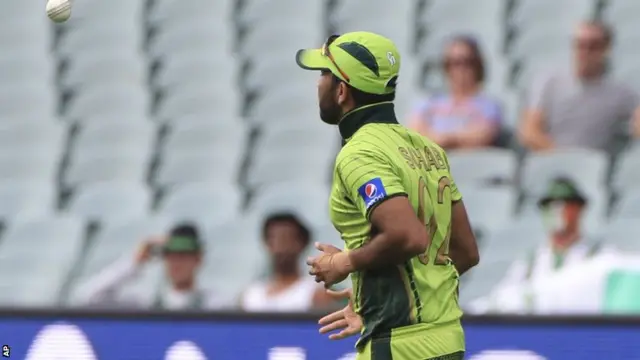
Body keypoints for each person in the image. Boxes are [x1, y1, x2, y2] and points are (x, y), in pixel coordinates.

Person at [295, 32, 480, 360]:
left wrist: (344, 261)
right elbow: (465, 252)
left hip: (399, 346)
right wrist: (373, 296)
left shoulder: (359, 154)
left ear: (341, 91)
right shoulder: (427, 148)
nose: (317, 83)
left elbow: (407, 236)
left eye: (324, 73)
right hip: (448, 341)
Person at [468, 178, 614, 314]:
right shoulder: (530, 262)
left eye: (562, 205)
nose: (555, 212)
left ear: (578, 209)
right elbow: (503, 298)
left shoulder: (598, 256)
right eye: (548, 206)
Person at [519, 21, 640, 152]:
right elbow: (529, 131)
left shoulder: (620, 93)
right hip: (549, 160)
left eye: (593, 46)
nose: (585, 52)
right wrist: (562, 156)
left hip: (597, 166)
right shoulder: (549, 82)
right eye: (580, 45)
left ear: (606, 49)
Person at [77, 223, 225, 310]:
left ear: (197, 260)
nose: (176, 263)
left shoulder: (213, 304)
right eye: (170, 256)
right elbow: (90, 297)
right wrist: (135, 262)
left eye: (183, 256)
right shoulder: (148, 303)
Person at [408, 35, 502, 150]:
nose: (459, 70)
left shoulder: (489, 105)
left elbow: (485, 134)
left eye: (466, 62)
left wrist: (444, 139)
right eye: (452, 63)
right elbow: (414, 133)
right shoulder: (430, 102)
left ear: (477, 66)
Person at [240, 213, 334, 312]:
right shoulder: (251, 295)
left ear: (301, 244)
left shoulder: (314, 292)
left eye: (285, 239)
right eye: (273, 239)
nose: (279, 247)